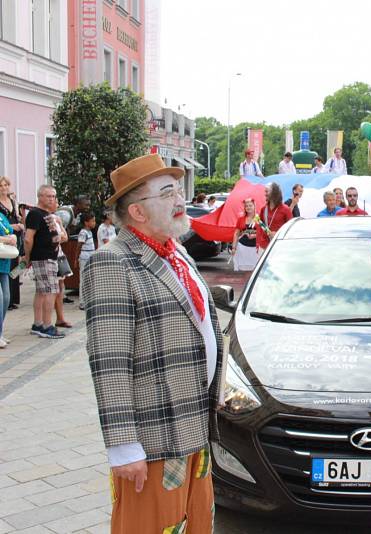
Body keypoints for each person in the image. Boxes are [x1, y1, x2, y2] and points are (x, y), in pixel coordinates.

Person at [84, 154, 222, 533]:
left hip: (194, 428)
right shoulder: (112, 262)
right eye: (167, 192)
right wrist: (123, 447)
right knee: (153, 527)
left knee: (195, 524)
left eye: (178, 189)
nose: (180, 199)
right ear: (138, 212)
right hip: (152, 438)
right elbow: (109, 362)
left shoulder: (177, 252)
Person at [22, 185, 66, 339]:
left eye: (54, 196)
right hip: (43, 257)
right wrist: (28, 257)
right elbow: (28, 238)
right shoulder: (35, 214)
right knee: (50, 291)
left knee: (41, 291)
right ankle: (47, 326)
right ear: (40, 196)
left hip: (49, 256)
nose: (52, 199)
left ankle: (38, 323)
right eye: (48, 196)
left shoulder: (47, 214)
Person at [0, 176, 24, 310]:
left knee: (16, 263)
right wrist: (13, 226)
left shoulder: (13, 200)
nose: (4, 188)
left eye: (6, 185)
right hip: (5, 234)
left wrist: (20, 224)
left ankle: (14, 297)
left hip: (15, 236)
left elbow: (17, 215)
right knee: (6, 265)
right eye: (1, 185)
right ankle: (6, 299)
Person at [256, 182, 293, 252]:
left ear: (274, 192)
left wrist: (278, 234)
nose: (265, 194)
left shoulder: (286, 209)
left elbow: (290, 229)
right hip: (264, 247)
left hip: (279, 246)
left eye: (267, 191)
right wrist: (258, 243)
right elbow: (259, 227)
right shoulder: (263, 209)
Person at [0, 207, 17, 347]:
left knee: (6, 298)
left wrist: (13, 237)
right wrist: (6, 239)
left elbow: (10, 231)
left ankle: (0, 331)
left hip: (4, 262)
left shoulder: (1, 216)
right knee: (0, 298)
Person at [232, 198, 259, 271]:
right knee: (242, 270)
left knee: (255, 270)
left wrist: (255, 235)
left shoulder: (259, 218)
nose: (248, 207)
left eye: (250, 205)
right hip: (242, 248)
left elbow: (265, 233)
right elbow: (236, 234)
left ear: (254, 206)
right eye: (246, 206)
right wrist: (234, 247)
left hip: (255, 249)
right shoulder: (241, 219)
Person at [77, 212, 96, 310]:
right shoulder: (83, 232)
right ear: (86, 222)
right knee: (83, 279)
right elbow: (79, 246)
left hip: (90, 255)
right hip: (84, 256)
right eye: (92, 221)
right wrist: (76, 259)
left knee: (89, 278)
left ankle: (88, 299)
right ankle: (82, 302)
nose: (94, 223)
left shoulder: (89, 232)